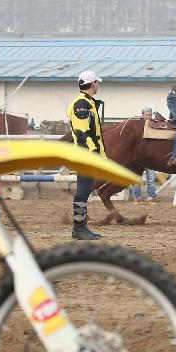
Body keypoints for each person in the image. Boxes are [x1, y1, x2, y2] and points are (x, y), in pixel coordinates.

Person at [68, 70, 106, 240]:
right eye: (97, 82)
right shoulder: (81, 104)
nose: (98, 85)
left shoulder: (87, 103)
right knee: (83, 191)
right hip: (85, 155)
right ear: (92, 84)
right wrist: (94, 154)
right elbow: (83, 133)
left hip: (87, 154)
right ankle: (78, 228)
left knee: (85, 190)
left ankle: (81, 227)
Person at [130, 107, 157, 202]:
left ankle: (151, 196)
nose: (148, 116)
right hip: (138, 157)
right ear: (142, 115)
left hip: (150, 157)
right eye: (146, 114)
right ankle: (136, 196)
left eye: (150, 115)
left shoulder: (155, 126)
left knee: (151, 178)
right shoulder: (137, 126)